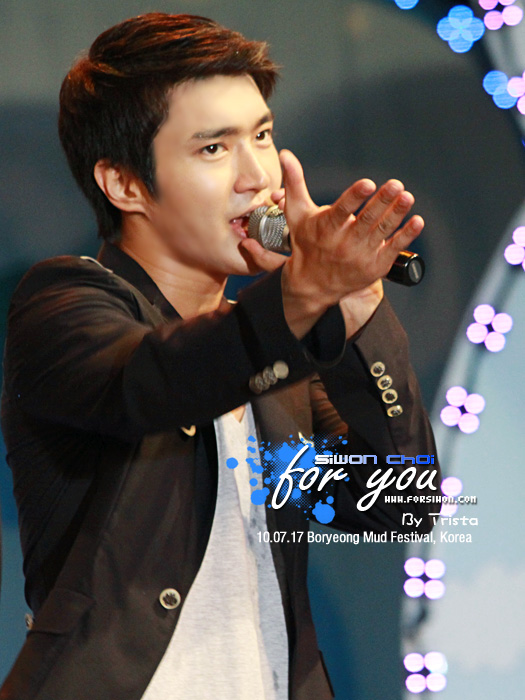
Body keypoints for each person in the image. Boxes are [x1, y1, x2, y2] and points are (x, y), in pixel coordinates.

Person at [0, 12, 439, 700]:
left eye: (261, 135)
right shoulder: (64, 304)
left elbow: (400, 507)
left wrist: (359, 313)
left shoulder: (273, 364)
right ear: (124, 184)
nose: (256, 176)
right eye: (213, 148)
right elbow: (156, 382)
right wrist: (303, 294)